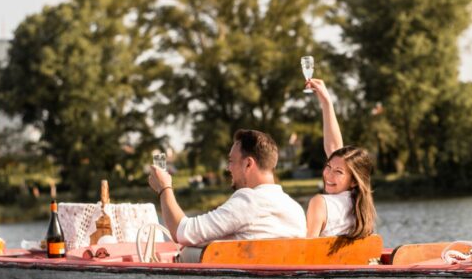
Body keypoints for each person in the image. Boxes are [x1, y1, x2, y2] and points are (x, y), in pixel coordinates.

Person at [148, 129, 306, 246]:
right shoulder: (296, 210)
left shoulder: (248, 200)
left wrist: (164, 188)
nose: (228, 168)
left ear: (248, 164)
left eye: (231, 161)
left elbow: (182, 232)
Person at [304, 79, 376, 240]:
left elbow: (305, 254)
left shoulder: (320, 203)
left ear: (353, 181)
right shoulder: (362, 210)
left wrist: (327, 102)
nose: (328, 175)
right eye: (328, 167)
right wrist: (326, 103)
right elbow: (335, 149)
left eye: (338, 172)